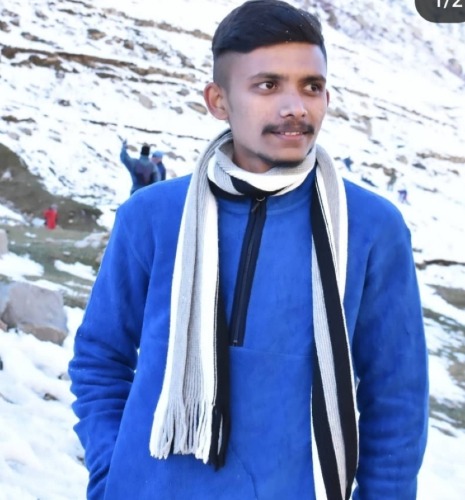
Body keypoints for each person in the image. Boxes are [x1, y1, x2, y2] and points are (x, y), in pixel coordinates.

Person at [69, 2, 428, 499]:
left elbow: (396, 398)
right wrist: (112, 473)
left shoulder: (371, 228)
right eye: (268, 85)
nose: (295, 106)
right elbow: (100, 357)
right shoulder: (151, 216)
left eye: (312, 86)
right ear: (219, 100)